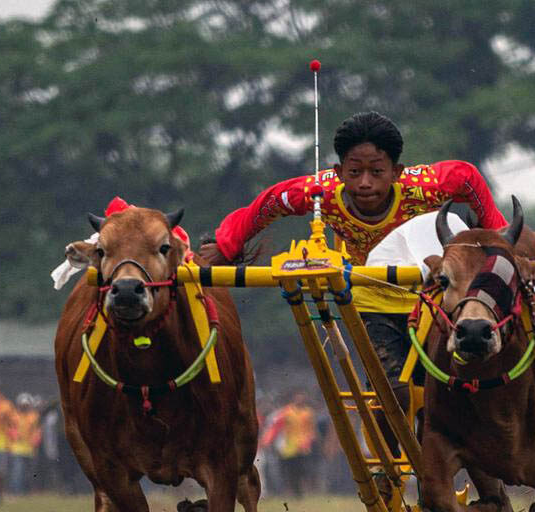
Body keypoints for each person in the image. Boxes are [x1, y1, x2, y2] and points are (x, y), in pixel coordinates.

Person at [201, 111, 507, 444]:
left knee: (449, 388)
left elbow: (467, 176)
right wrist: (226, 244)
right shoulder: (321, 193)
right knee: (396, 392)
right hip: (370, 299)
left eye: (377, 172)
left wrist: (500, 236)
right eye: (355, 172)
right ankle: (393, 454)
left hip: (430, 297)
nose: (365, 183)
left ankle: (463, 463)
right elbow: (271, 201)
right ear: (338, 172)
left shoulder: (424, 187)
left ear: (396, 172)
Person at [260, 390, 317, 497]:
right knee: (289, 469)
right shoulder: (286, 412)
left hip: (303, 446)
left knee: (302, 469)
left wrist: (308, 440)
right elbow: (275, 427)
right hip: (289, 446)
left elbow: (311, 429)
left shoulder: (308, 413)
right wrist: (266, 440)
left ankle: (300, 491)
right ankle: (292, 491)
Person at [8, 393, 41, 495]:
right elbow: (10, 429)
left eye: (26, 405)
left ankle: (27, 490)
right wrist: (14, 436)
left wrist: (35, 441)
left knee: (29, 472)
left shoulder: (34, 416)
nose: (24, 407)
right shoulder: (14, 416)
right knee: (18, 470)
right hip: (17, 448)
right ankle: (16, 491)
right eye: (23, 405)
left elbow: (37, 431)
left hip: (30, 448)